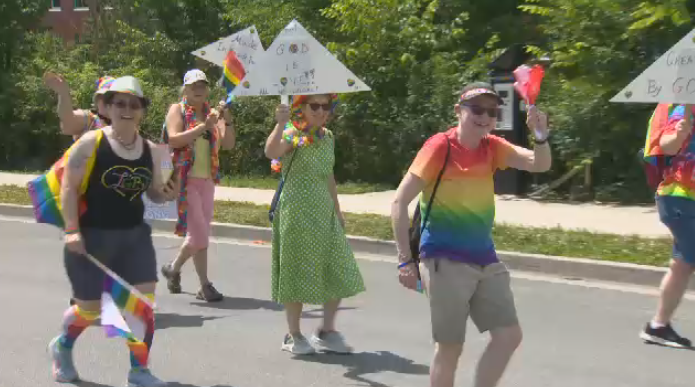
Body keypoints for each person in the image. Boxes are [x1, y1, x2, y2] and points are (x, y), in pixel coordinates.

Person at [390, 82, 551, 387]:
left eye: (492, 111)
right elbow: (399, 202)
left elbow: (539, 164)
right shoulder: (441, 146)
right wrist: (405, 261)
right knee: (450, 348)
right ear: (458, 111)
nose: (485, 116)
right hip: (443, 258)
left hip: (484, 257)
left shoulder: (493, 147)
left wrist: (540, 136)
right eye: (477, 109)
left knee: (508, 335)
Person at [48, 76, 178, 387]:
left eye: (135, 104)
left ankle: (139, 371)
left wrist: (166, 193)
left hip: (134, 236)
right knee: (90, 310)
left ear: (143, 111)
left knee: (143, 306)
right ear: (107, 107)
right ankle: (61, 345)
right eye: (120, 103)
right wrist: (71, 231)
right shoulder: (91, 142)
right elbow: (69, 187)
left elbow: (154, 194)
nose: (127, 109)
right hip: (92, 236)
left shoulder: (150, 150)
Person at [264, 93, 366, 355]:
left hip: (324, 212)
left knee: (339, 268)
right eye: (315, 106)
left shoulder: (328, 137)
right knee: (296, 271)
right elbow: (271, 152)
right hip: (296, 213)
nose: (322, 111)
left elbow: (329, 175)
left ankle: (326, 331)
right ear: (302, 108)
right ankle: (293, 335)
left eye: (326, 106)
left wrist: (338, 210)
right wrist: (279, 123)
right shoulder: (291, 133)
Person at [160, 69, 236, 302]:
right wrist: (203, 126)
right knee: (200, 235)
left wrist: (228, 119)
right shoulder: (178, 109)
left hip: (207, 180)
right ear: (185, 89)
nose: (199, 89)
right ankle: (182, 272)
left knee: (198, 233)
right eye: (194, 86)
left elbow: (229, 144)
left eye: (202, 85)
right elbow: (173, 138)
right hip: (185, 180)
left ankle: (187, 276)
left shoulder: (213, 113)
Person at [639, 103, 695, 348]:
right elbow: (667, 145)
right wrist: (680, 132)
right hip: (680, 197)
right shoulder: (683, 105)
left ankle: (658, 326)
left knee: (682, 264)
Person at [43, 72, 114, 140]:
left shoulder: (124, 123)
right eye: (104, 97)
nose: (109, 102)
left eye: (112, 97)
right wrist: (63, 94)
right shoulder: (91, 120)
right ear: (97, 101)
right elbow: (67, 120)